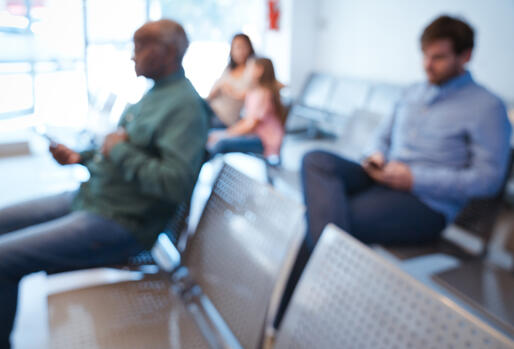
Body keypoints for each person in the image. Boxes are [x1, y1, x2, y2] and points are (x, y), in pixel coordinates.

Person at [275, 15, 512, 327]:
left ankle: (287, 321)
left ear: (465, 56)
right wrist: (375, 155)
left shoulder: (486, 107)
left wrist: (414, 178)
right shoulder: (412, 92)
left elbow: (488, 180)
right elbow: (382, 135)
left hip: (425, 203)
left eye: (438, 57)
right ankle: (315, 303)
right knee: (315, 160)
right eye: (425, 56)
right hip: (382, 179)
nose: (428, 65)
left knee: (329, 217)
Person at [0, 19, 208, 348]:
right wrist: (81, 157)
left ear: (167, 52)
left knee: (4, 258)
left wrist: (120, 149)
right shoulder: (155, 94)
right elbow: (121, 149)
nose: (132, 57)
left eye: (140, 48)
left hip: (120, 221)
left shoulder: (185, 108)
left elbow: (174, 183)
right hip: (93, 197)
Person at [207, 58, 285, 161]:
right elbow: (246, 118)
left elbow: (250, 124)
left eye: (249, 68)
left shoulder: (263, 94)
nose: (247, 72)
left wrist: (225, 134)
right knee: (212, 135)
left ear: (259, 71)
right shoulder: (253, 91)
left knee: (221, 143)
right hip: (253, 135)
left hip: (264, 140)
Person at [207, 33, 255, 128]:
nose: (240, 51)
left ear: (249, 48)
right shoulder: (228, 69)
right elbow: (210, 96)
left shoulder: (252, 69)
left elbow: (253, 93)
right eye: (236, 47)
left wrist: (231, 91)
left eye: (243, 47)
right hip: (211, 109)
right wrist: (220, 87)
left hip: (225, 118)